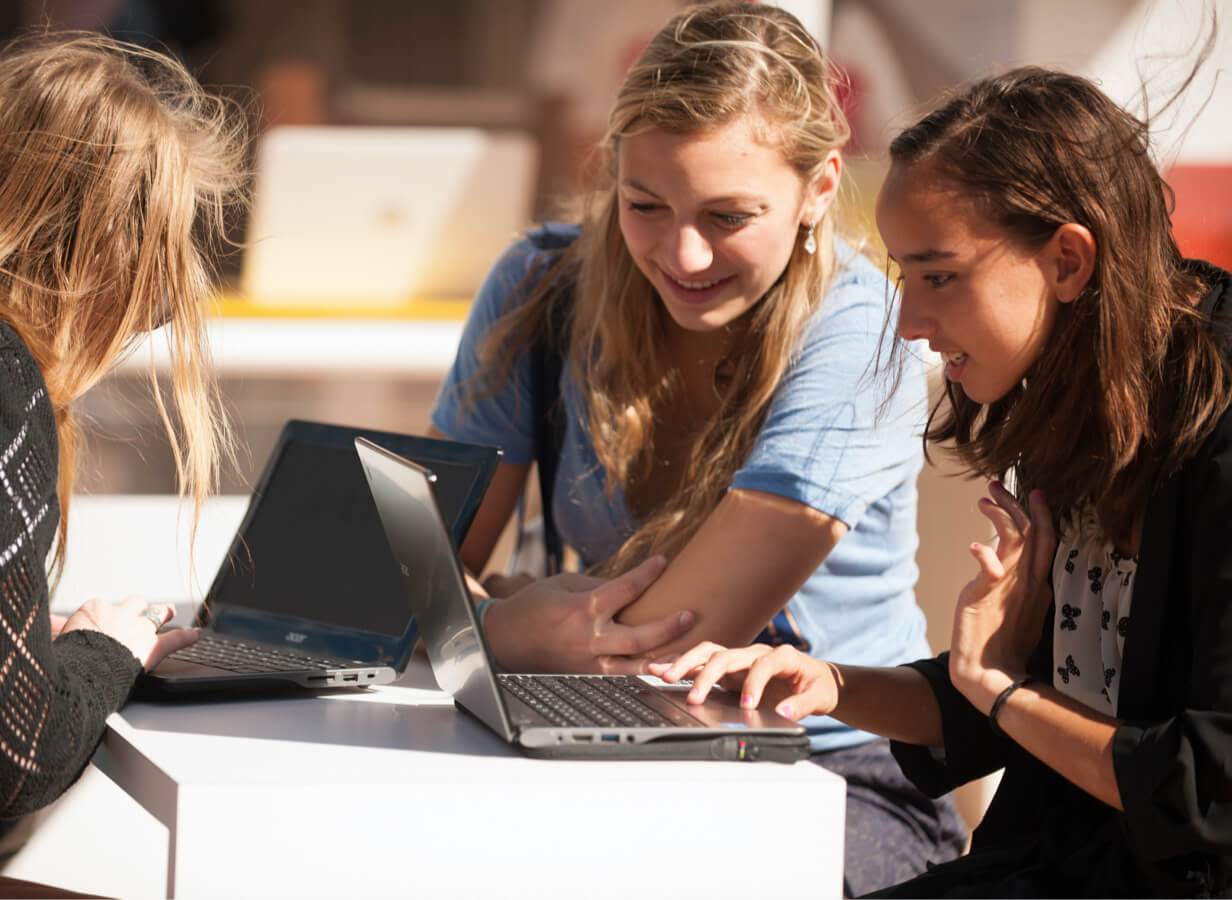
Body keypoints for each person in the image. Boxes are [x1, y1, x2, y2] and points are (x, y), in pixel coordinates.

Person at [653, 64, 1232, 897]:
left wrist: (998, 690)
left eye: (938, 275)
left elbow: (1206, 788)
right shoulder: (1078, 389)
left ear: (1068, 261)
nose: (910, 324)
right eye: (901, 276)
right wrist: (832, 685)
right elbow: (1024, 702)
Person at [429, 2, 965, 893]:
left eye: (728, 216)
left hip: (832, 774)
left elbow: (669, 647)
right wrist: (497, 625)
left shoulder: (863, 329)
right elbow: (415, 577)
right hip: (589, 737)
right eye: (645, 205)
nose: (682, 253)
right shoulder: (538, 285)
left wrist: (504, 624)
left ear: (820, 189)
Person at [0, 32, 247, 821]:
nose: (155, 312)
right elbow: (17, 757)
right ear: (106, 244)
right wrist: (107, 649)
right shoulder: (7, 377)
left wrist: (41, 653)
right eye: (159, 265)